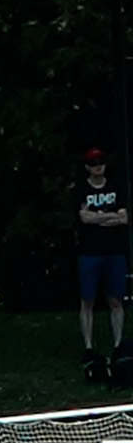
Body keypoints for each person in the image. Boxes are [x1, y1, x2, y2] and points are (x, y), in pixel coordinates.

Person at [77, 147, 129, 374]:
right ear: (87, 166)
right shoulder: (80, 189)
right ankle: (88, 347)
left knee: (116, 300)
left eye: (101, 162)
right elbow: (83, 218)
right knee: (87, 300)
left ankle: (118, 345)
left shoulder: (116, 187)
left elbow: (123, 218)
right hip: (89, 253)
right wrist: (109, 216)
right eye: (93, 163)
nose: (98, 166)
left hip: (114, 251)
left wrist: (98, 217)